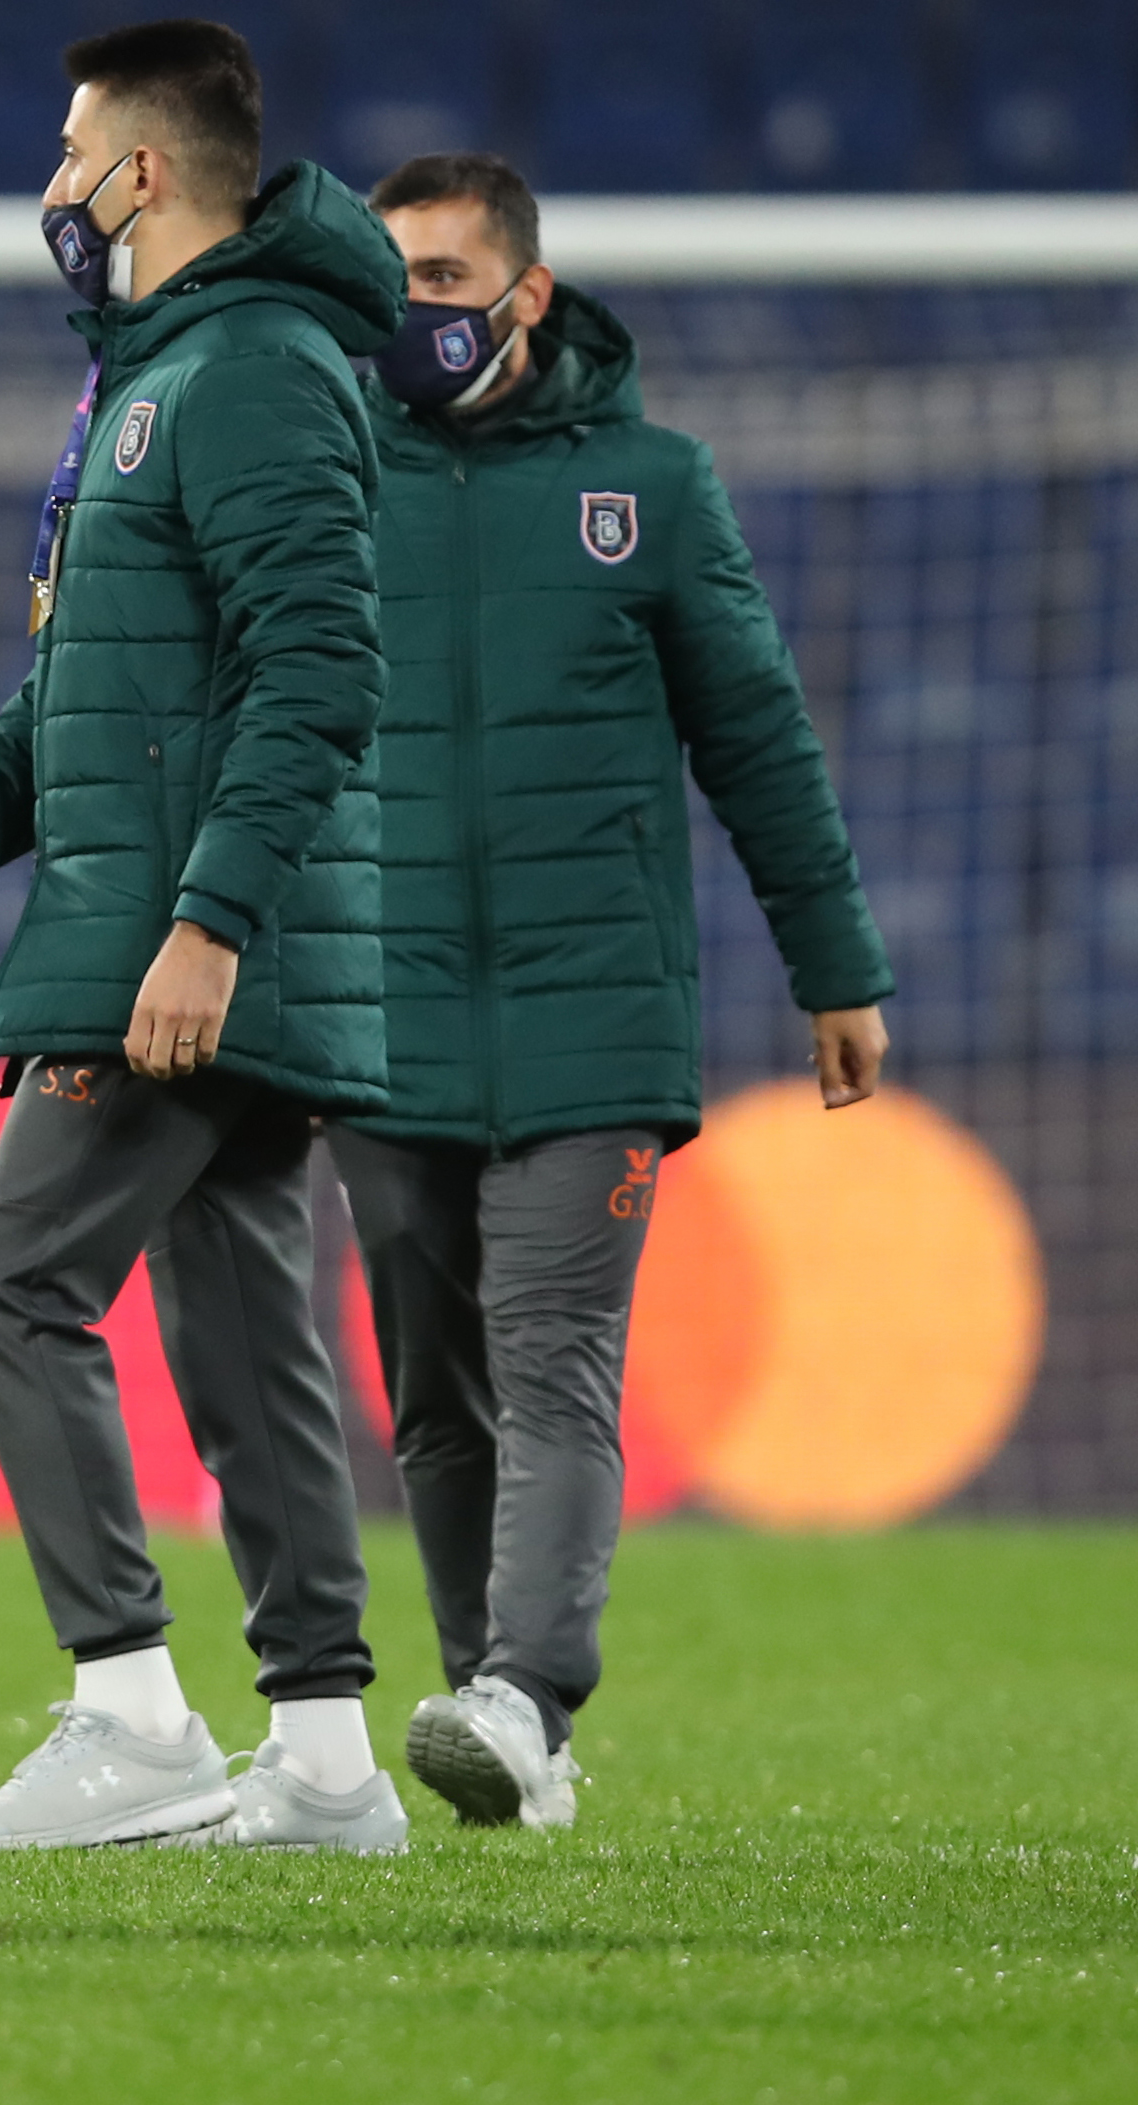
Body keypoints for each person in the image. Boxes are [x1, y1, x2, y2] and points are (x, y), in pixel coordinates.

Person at [0, 19, 409, 1854]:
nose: (55, 186)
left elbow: (319, 669)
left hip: (184, 946)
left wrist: (207, 924)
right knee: (251, 1340)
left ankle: (133, 1713)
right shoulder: (168, 366)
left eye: (72, 150)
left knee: (5, 1286)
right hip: (191, 928)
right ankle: (326, 1765)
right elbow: (88, 696)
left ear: (143, 174)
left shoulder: (243, 367)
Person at [330, 151, 892, 1832]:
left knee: (557, 1356)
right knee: (434, 1398)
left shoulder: (650, 486)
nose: (413, 312)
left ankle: (525, 1687)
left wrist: (835, 962)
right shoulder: (331, 477)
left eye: (441, 279)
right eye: (393, 283)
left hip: (598, 1020)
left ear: (529, 296)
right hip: (384, 1013)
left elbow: (760, 738)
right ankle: (504, 1724)